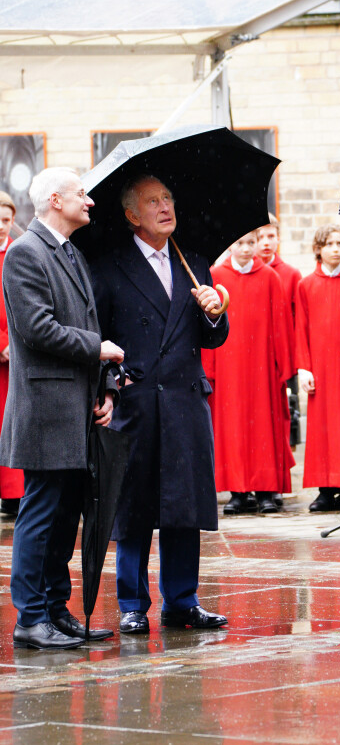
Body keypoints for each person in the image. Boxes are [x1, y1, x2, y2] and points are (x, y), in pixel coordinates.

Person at [90, 174, 229, 635]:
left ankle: (182, 601)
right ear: (132, 215)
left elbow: (213, 339)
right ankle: (132, 603)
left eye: (168, 198)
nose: (165, 206)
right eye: (153, 201)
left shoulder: (194, 262)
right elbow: (99, 337)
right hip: (136, 403)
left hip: (186, 402)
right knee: (132, 508)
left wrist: (215, 312)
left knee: (183, 507)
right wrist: (111, 386)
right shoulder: (109, 267)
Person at [0, 167, 124, 650]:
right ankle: (30, 619)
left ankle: (55, 609)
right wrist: (100, 349)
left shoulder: (69, 251)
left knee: (65, 515)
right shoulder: (26, 254)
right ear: (55, 200)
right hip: (46, 409)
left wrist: (105, 388)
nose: (89, 201)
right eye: (81, 194)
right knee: (41, 513)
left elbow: (82, 321)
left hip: (74, 407)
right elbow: (37, 329)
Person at [204, 231, 295, 515]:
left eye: (250, 243)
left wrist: (284, 365)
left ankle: (267, 490)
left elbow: (281, 321)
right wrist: (209, 368)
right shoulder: (215, 276)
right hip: (228, 363)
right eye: (240, 243)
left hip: (262, 363)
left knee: (263, 426)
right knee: (232, 428)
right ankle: (238, 491)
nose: (245, 249)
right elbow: (207, 321)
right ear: (231, 244)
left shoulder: (269, 277)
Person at [296, 224, 340, 511]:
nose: (335, 249)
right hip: (321, 368)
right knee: (323, 428)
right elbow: (300, 327)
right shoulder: (306, 285)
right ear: (318, 249)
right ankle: (326, 489)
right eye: (329, 244)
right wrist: (304, 367)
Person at [256, 214, 302, 458]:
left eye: (270, 236)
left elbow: (297, 315)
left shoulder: (291, 274)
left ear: (278, 238)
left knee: (289, 408)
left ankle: (286, 459)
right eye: (260, 237)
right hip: (259, 354)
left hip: (285, 353)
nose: (265, 242)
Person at [0, 191, 24, 517]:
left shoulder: (18, 254)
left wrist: (12, 343)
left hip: (16, 356)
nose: (1, 227)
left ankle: (12, 493)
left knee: (13, 425)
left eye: (6, 220)